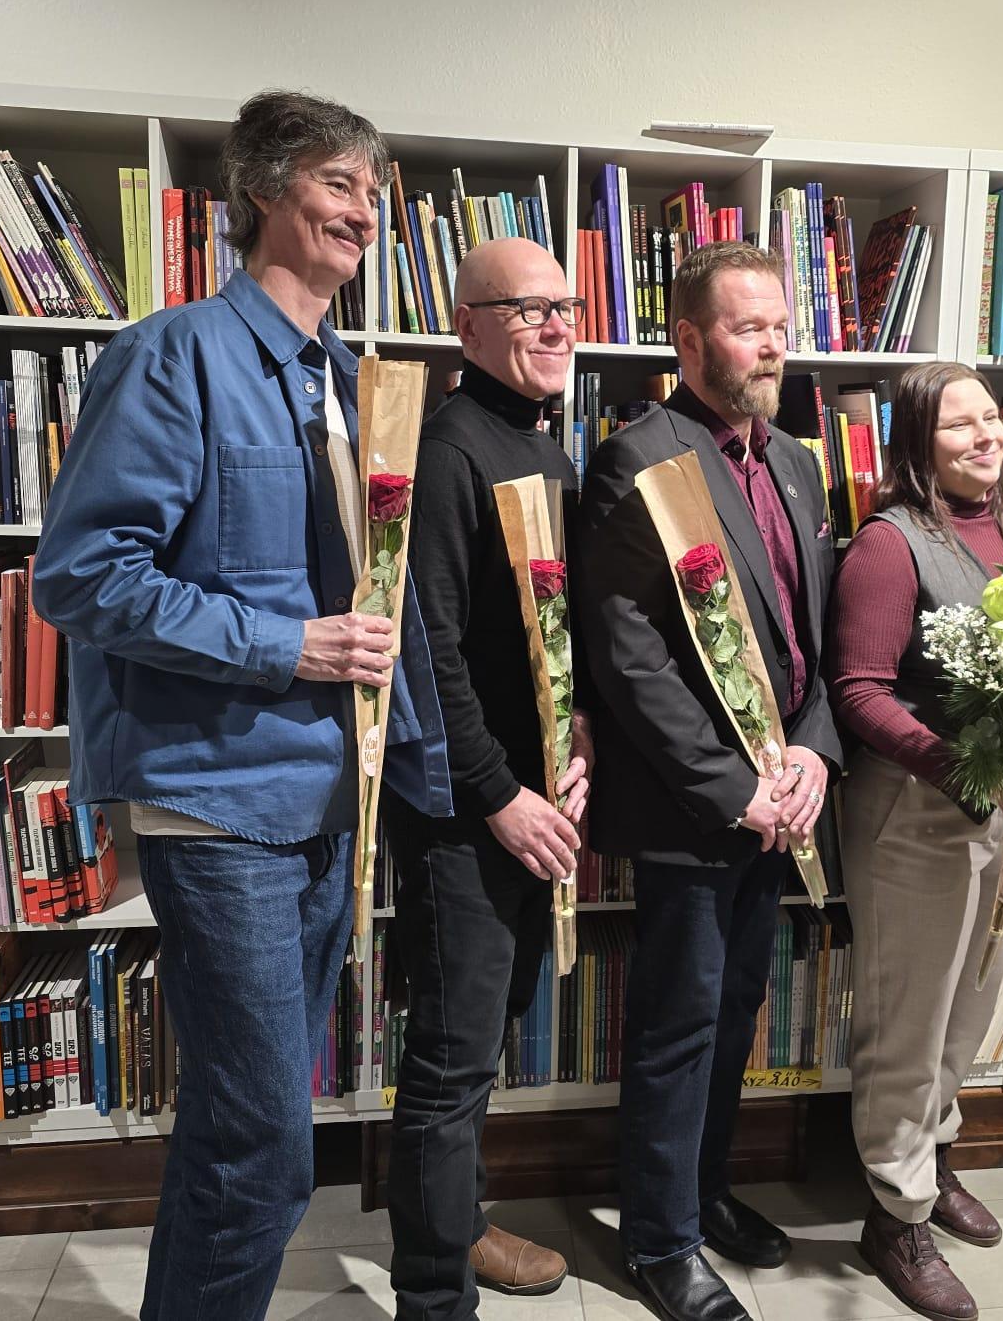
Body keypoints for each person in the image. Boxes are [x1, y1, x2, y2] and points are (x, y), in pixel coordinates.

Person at [32, 89, 453, 1321]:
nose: (362, 211)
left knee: (241, 1126)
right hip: (218, 802)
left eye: (373, 192)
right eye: (337, 182)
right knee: (266, 1143)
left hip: (323, 800)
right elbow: (82, 576)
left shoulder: (345, 379)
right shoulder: (174, 354)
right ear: (263, 191)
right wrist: (290, 646)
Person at [574, 240, 840, 1321]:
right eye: (747, 327)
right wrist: (732, 787)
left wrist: (813, 750)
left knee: (737, 1012)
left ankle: (703, 1191)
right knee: (679, 1026)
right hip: (696, 810)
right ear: (688, 341)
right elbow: (624, 651)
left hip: (784, 800)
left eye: (780, 326)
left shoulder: (797, 463)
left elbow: (811, 634)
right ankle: (660, 1241)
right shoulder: (639, 457)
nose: (772, 346)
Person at [828, 361, 1003, 1321]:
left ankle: (931, 1160)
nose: (987, 436)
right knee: (909, 1024)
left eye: (994, 419)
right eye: (960, 424)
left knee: (970, 1011)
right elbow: (859, 691)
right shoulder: (889, 545)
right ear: (917, 443)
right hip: (915, 815)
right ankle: (895, 1215)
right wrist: (960, 768)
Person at [386, 236, 595, 1318]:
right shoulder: (449, 452)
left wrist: (577, 743)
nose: (555, 326)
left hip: (532, 803)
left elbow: (549, 642)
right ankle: (433, 1297)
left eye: (565, 306)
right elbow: (428, 654)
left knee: (489, 1034)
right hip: (468, 818)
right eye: (526, 309)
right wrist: (500, 796)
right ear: (466, 328)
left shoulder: (545, 449)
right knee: (450, 1060)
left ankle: (459, 1226)